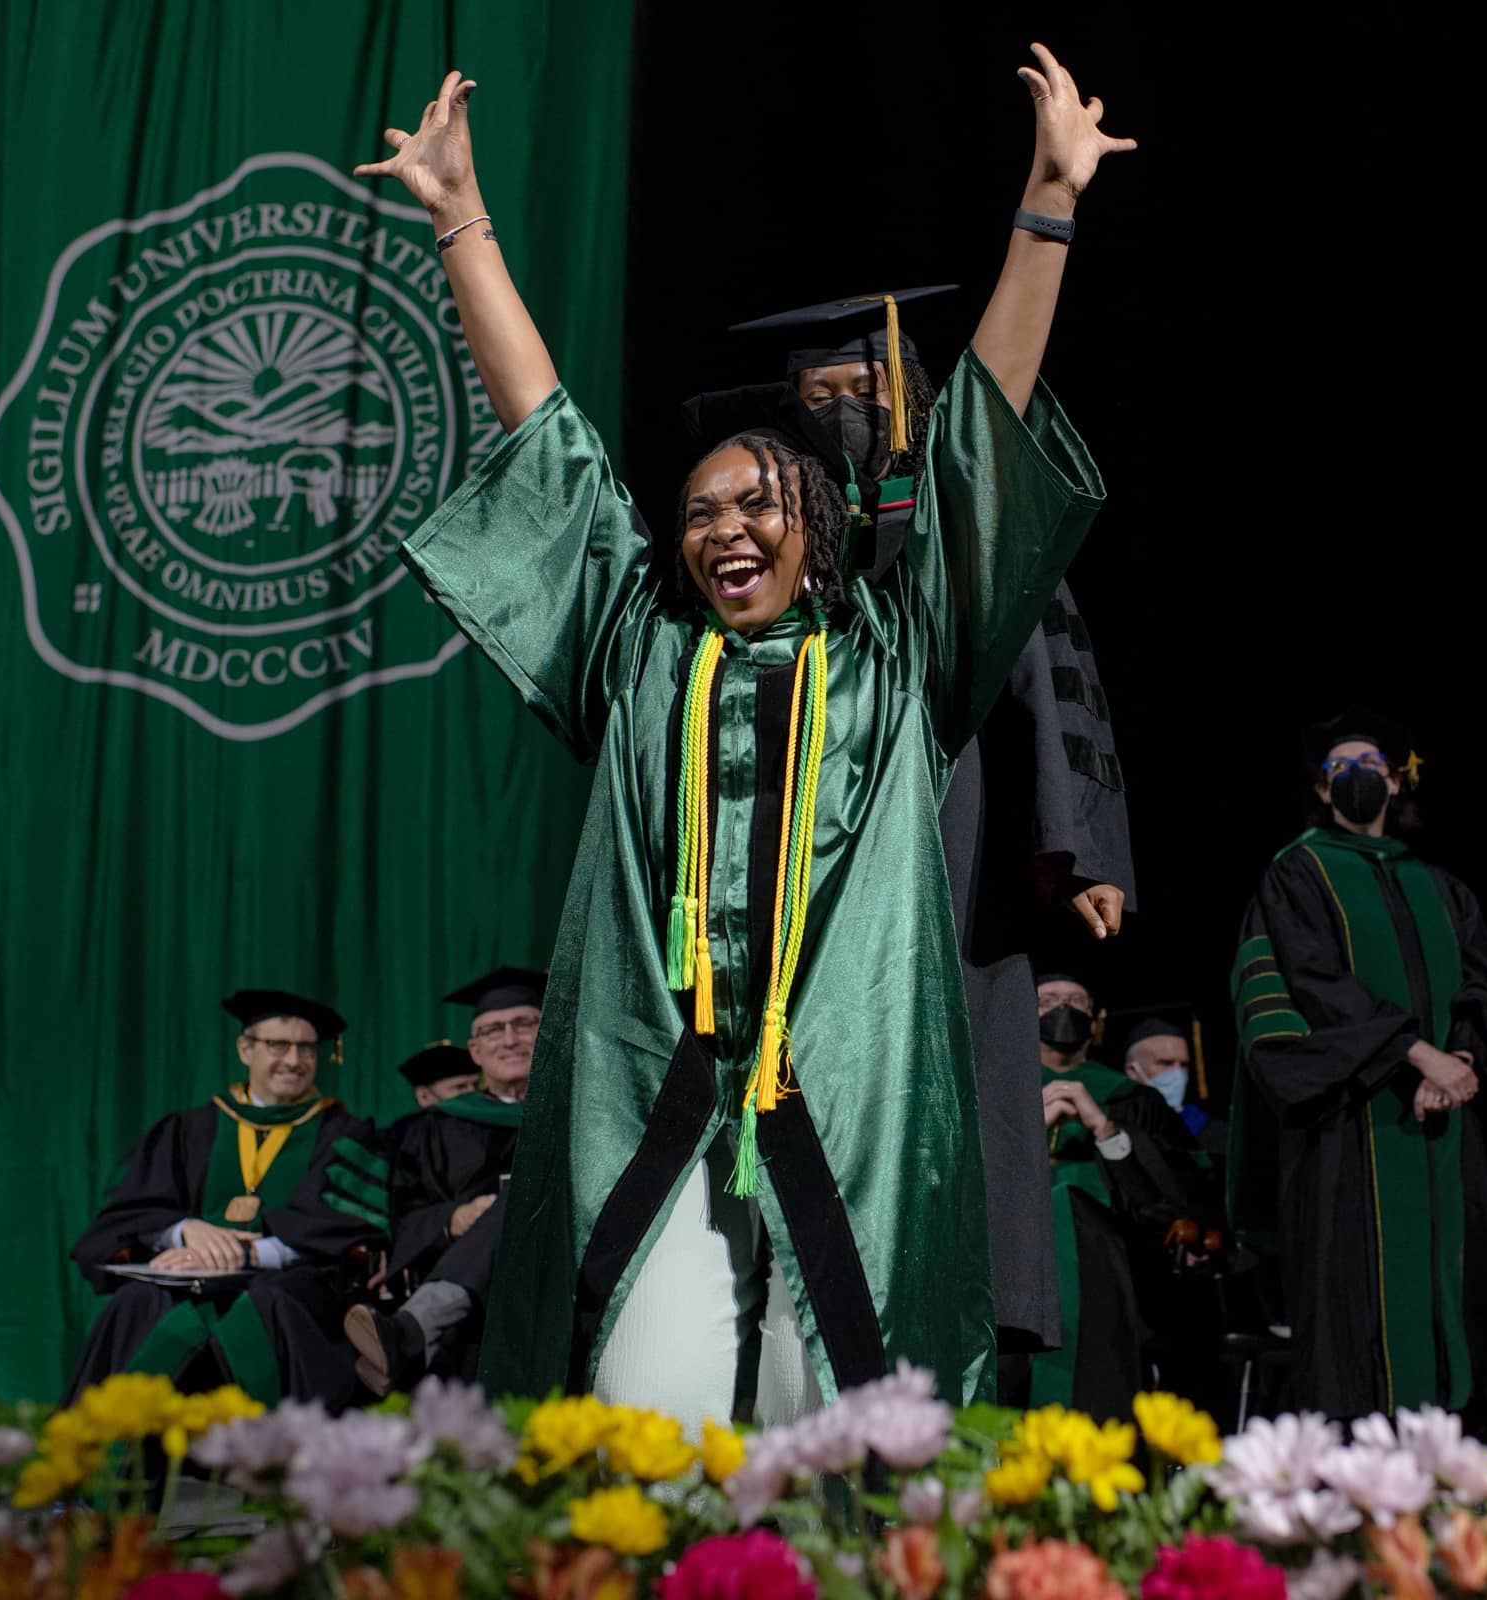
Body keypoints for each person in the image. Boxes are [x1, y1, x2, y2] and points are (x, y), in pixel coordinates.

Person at [356, 46, 1130, 1429]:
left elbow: (981, 446)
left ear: (817, 529)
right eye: (703, 509)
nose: (727, 526)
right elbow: (548, 441)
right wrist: (460, 221)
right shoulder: (637, 652)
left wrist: (1048, 208)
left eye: (761, 503)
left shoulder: (899, 662)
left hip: (851, 1112)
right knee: (646, 1434)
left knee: (840, 1465)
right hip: (658, 1108)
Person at [727, 291, 1137, 1370]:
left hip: (948, 808)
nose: (843, 411)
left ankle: (958, 1311)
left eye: (863, 391)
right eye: (818, 396)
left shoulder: (962, 504)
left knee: (953, 1040)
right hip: (793, 814)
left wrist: (1083, 844)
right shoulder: (760, 519)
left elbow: (1052, 666)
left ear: (908, 395)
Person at [1225, 710, 1487, 1418]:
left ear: (1395, 781)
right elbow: (1310, 982)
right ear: (1324, 792)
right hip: (1348, 1125)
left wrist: (1460, 1064)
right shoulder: (1297, 873)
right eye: (1340, 769)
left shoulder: (1444, 889)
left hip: (1444, 1131)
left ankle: (1459, 1465)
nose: (1357, 777)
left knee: (1454, 1294)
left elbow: (1486, 989)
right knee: (1353, 1303)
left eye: (1370, 765)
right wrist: (1415, 1057)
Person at [64, 991, 386, 1409]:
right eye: (278, 1045)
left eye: (306, 1048)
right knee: (136, 1303)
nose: (293, 1060)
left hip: (289, 1283)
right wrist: (183, 1233)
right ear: (245, 1049)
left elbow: (343, 1225)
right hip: (187, 1277)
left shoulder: (342, 1134)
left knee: (272, 1304)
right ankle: (119, 1458)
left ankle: (270, 1463)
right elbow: (129, 1212)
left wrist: (246, 1255)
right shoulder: (188, 1130)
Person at [347, 966, 543, 1394]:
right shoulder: (434, 1127)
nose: (509, 1039)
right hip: (477, 1301)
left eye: (525, 1024)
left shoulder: (580, 1114)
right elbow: (405, 1215)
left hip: (553, 1277)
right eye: (493, 1030)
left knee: (524, 1196)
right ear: (474, 1051)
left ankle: (415, 1330)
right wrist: (452, 1219)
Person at [1031, 974, 1198, 1417]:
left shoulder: (1133, 1102)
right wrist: (1026, 1134)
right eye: (1047, 1000)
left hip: (1114, 1269)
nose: (1061, 1009)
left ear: (1095, 1019)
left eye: (1075, 1001)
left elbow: (1168, 1200)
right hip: (1018, 1272)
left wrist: (1104, 1129)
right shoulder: (991, 1090)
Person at [382, 1040, 482, 1148]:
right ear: (424, 1096)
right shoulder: (403, 1138)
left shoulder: (490, 1127)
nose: (473, 1093)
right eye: (460, 1087)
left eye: (476, 1086)